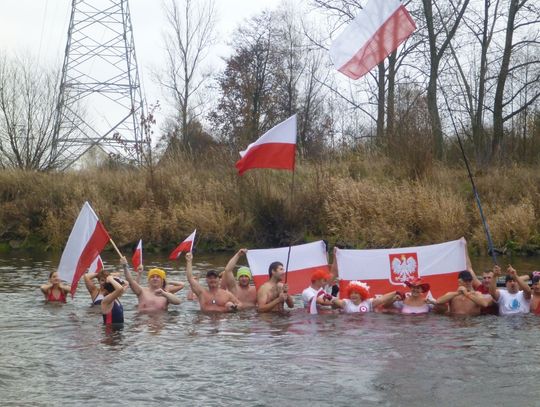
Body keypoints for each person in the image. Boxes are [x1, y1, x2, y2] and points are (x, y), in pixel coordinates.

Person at [332, 280, 399, 313]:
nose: (353, 295)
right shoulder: (346, 303)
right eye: (351, 293)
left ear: (361, 294)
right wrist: (330, 298)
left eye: (356, 293)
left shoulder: (368, 302)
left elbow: (382, 299)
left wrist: (396, 292)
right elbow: (335, 300)